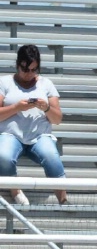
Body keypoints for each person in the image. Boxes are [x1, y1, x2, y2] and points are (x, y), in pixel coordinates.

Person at [0, 45, 66, 205]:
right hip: (11, 134)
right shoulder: (4, 82)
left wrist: (46, 108)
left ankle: (63, 199)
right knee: (4, 156)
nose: (29, 74)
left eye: (34, 70)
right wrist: (17, 107)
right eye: (25, 69)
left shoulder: (46, 84)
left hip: (39, 136)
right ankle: (14, 189)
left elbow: (57, 119)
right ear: (17, 65)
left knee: (52, 157)